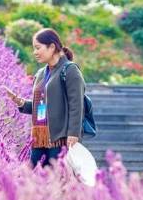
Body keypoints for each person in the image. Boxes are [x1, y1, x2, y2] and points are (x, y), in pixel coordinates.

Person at [5, 28, 85, 168]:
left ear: (52, 47)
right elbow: (41, 106)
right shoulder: (41, 73)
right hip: (39, 137)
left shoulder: (70, 70)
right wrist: (20, 101)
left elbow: (77, 105)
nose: (35, 52)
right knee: (35, 176)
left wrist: (73, 133)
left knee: (57, 179)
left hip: (59, 138)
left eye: (38, 48)